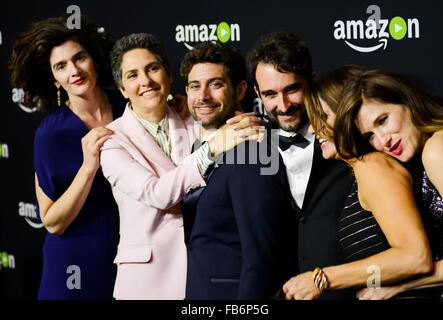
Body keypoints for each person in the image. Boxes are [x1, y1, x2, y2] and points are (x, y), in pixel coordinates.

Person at [99, 34, 263, 300]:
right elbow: (157, 194)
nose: (146, 81)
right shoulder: (111, 141)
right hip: (146, 283)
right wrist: (210, 150)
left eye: (152, 68)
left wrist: (245, 123)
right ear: (121, 89)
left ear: (169, 76)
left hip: (203, 279)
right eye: (132, 75)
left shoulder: (193, 118)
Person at [281, 65, 433, 300]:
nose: (313, 128)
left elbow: (415, 257)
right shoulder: (360, 169)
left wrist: (321, 279)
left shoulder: (372, 166)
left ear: (347, 115)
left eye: (322, 117)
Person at [9, 15, 122, 299]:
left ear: (93, 59)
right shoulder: (51, 134)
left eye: (79, 58)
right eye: (61, 66)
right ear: (56, 81)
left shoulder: (127, 105)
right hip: (75, 264)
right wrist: (88, 167)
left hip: (131, 259)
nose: (74, 70)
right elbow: (52, 222)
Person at [179, 41, 298, 300]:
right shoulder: (199, 147)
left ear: (241, 89)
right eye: (194, 86)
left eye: (216, 84)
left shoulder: (254, 149)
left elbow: (263, 256)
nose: (203, 97)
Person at [247, 32, 355, 299]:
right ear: (257, 93)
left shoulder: (348, 139)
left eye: (292, 90)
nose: (282, 106)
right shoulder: (250, 149)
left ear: (312, 81)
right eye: (270, 94)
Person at [334, 69, 443, 300]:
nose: (382, 140)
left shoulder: (437, 148)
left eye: (383, 120)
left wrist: (402, 285)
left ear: (409, 101)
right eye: (370, 136)